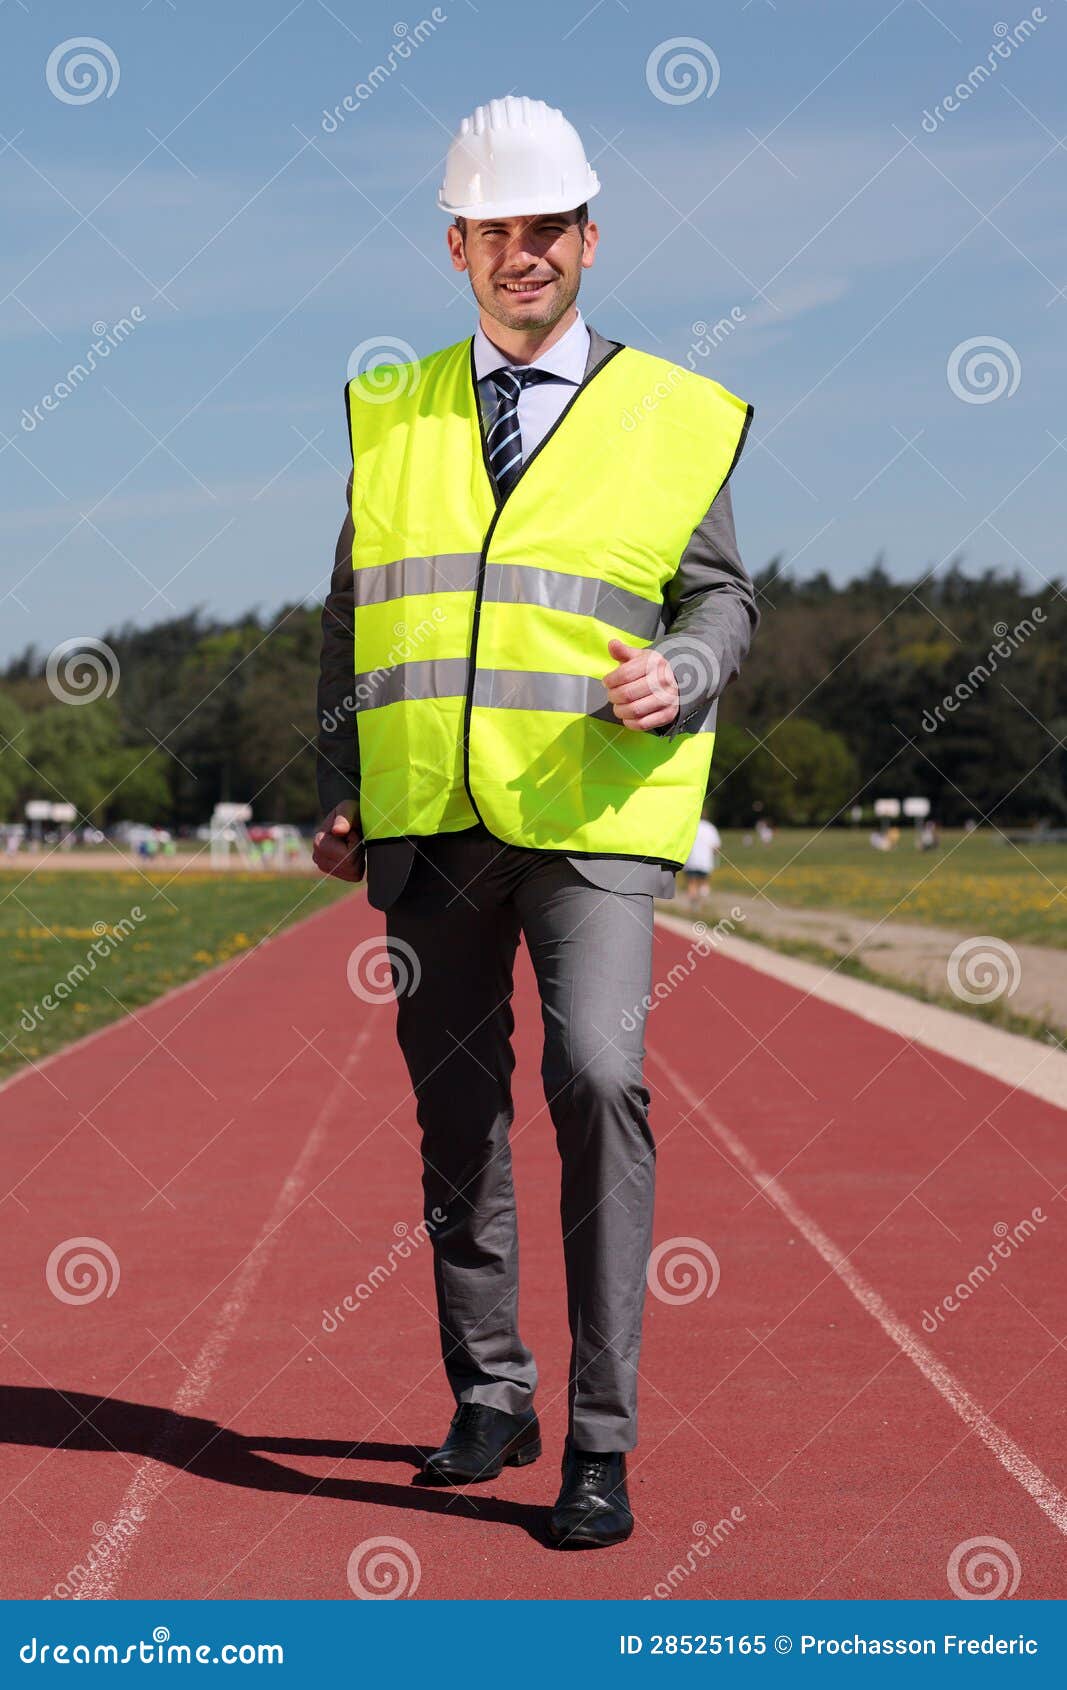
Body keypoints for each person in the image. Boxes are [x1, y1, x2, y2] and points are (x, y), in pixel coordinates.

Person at [313, 95, 758, 1550]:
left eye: (546, 229)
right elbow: (352, 614)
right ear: (456, 247)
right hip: (432, 820)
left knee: (596, 1071)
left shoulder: (672, 415)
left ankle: (600, 1441)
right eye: (494, 231)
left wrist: (683, 670)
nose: (523, 254)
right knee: (457, 1120)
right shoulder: (394, 411)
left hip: (588, 816)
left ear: (588, 238)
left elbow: (720, 596)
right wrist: (340, 778)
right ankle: (490, 1395)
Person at [682, 813, 721, 910]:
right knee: (704, 882)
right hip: (706, 861)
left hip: (692, 860)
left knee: (692, 883)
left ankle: (694, 906)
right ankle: (703, 904)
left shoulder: (691, 827)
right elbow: (716, 847)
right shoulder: (711, 828)